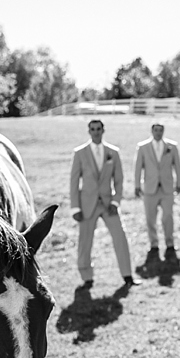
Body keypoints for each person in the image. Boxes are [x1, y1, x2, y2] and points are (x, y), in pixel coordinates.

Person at [69, 119, 139, 288]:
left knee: (120, 237)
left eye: (98, 129)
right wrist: (75, 207)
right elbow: (74, 181)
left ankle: (127, 276)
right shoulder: (80, 152)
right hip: (87, 205)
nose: (96, 132)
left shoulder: (113, 152)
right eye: (92, 129)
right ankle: (87, 277)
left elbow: (119, 180)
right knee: (85, 241)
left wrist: (116, 202)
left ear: (103, 130)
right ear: (89, 131)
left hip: (108, 204)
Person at [134, 121, 180, 261]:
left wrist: (179, 183)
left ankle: (170, 242)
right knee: (150, 217)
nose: (158, 133)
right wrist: (137, 185)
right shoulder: (143, 147)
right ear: (152, 131)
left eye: (160, 130)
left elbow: (177, 166)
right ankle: (154, 243)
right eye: (156, 130)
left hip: (167, 188)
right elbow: (138, 168)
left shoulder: (171, 147)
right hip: (150, 188)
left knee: (168, 216)